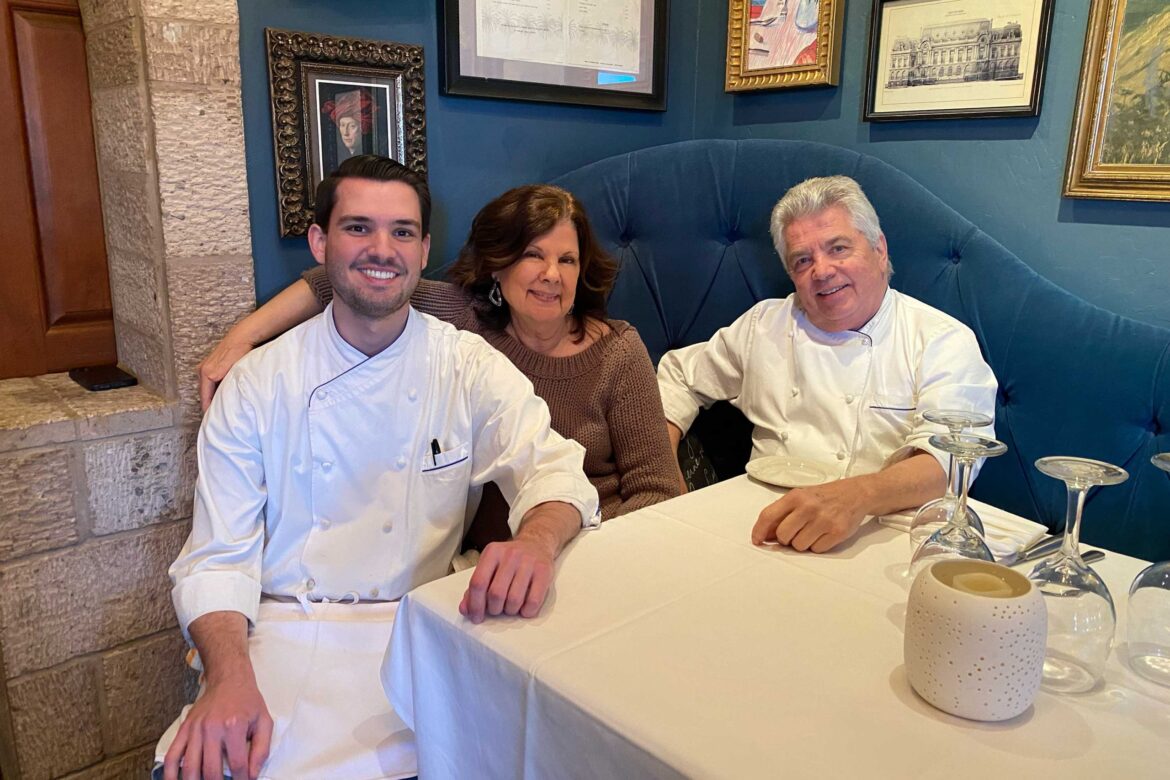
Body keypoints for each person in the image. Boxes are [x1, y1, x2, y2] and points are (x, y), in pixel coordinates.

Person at [157, 156, 599, 780]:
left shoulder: (466, 365)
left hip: (423, 626)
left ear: (423, 250)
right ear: (320, 242)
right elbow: (217, 558)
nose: (381, 250)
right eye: (358, 228)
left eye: (401, 232)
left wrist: (534, 541)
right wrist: (226, 682)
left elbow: (553, 468)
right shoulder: (259, 383)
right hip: (284, 630)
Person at [200, 184, 679, 538]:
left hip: (598, 544)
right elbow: (335, 282)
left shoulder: (616, 351)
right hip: (481, 568)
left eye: (568, 260)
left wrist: (561, 540)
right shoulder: (465, 319)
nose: (552, 275)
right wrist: (240, 339)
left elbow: (659, 492)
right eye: (533, 255)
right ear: (498, 264)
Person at [657, 175, 997, 554]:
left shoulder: (940, 339)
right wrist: (663, 478)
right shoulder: (764, 325)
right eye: (803, 260)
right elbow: (677, 377)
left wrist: (858, 496)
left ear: (879, 249)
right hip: (758, 527)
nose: (821, 271)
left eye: (838, 248)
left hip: (880, 537)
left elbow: (947, 464)